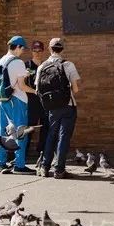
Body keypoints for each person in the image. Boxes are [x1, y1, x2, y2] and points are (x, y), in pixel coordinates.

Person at [35, 38, 81, 179]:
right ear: (62, 49)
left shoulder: (42, 66)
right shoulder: (68, 65)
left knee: (51, 135)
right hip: (67, 105)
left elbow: (37, 89)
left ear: (50, 49)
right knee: (63, 137)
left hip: (51, 107)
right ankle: (59, 169)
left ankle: (45, 166)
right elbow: (76, 88)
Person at [0, 36, 37, 174]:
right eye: (23, 48)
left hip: (3, 99)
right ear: (18, 47)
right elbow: (22, 86)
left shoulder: (1, 60)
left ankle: (1, 162)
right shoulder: (18, 62)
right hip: (17, 100)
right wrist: (35, 91)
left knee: (3, 130)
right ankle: (19, 164)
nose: (23, 51)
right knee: (21, 132)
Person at [26, 40, 49, 155]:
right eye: (35, 50)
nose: (37, 53)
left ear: (43, 51)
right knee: (30, 127)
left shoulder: (46, 65)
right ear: (31, 51)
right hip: (31, 101)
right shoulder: (27, 65)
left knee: (46, 126)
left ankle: (43, 151)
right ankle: (24, 153)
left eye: (39, 50)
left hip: (44, 101)